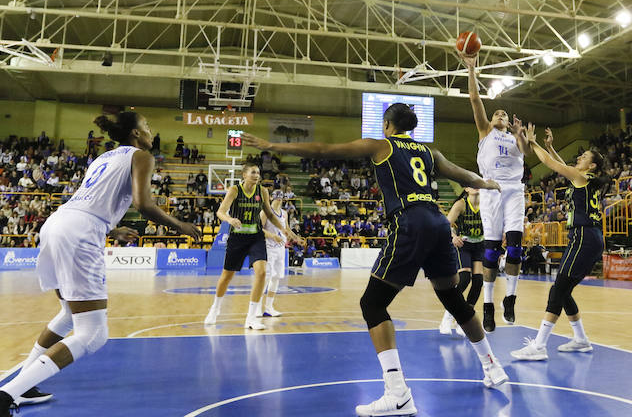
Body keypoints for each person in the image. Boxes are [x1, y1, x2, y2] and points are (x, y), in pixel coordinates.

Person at [242, 103, 507, 416]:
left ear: (387, 125)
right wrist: (486, 183)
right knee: (452, 298)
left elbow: (325, 150)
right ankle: (493, 367)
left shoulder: (382, 146)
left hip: (410, 222)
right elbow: (461, 174)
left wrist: (272, 145)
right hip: (437, 222)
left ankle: (398, 394)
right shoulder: (429, 152)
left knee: (372, 304)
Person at [0, 112, 200, 417]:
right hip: (79, 232)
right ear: (136, 134)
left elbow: (88, 201)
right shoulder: (142, 156)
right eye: (147, 127)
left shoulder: (103, 158)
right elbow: (143, 204)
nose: (151, 132)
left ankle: (24, 384)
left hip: (57, 223)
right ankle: (0, 399)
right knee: (93, 334)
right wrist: (179, 225)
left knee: (68, 314)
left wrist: (112, 229)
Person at [511, 122, 606, 361]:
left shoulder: (582, 177)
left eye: (584, 156)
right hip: (588, 237)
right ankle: (581, 339)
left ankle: (539, 345)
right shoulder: (583, 178)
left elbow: (552, 165)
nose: (579, 157)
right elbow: (563, 166)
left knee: (559, 288)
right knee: (564, 290)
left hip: (584, 236)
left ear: (592, 165)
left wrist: (533, 143)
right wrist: (551, 147)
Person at [462, 53, 529, 331]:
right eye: (496, 113)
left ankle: (510, 298)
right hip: (490, 190)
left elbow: (526, 152)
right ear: (490, 121)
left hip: (514, 190)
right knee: (491, 252)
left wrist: (521, 135)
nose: (500, 115)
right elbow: (475, 100)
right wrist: (472, 70)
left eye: (504, 114)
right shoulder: (485, 132)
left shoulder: (514, 137)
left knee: (515, 247)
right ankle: (488, 305)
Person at [203, 164, 303, 330]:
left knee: (262, 272)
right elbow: (220, 212)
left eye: (258, 173)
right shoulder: (235, 190)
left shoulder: (262, 191)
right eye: (253, 172)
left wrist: (283, 229)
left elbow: (269, 214)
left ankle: (251, 318)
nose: (257, 175)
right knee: (227, 276)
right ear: (244, 175)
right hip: (237, 237)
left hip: (256, 237)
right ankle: (215, 308)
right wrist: (230, 220)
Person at [439, 188, 486, 337]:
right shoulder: (461, 204)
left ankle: (465, 319)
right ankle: (448, 315)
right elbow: (445, 224)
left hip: (479, 245)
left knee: (478, 282)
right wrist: (453, 237)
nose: (475, 186)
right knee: (464, 279)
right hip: (464, 245)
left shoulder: (486, 203)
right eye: (472, 184)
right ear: (466, 188)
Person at [262, 189, 290, 318]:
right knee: (266, 277)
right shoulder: (265, 212)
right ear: (272, 197)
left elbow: (286, 229)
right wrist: (273, 236)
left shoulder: (284, 213)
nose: (279, 198)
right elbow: (259, 229)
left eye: (281, 196)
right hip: (268, 248)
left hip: (280, 248)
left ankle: (269, 307)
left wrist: (295, 238)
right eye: (277, 196)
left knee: (276, 277)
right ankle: (256, 307)